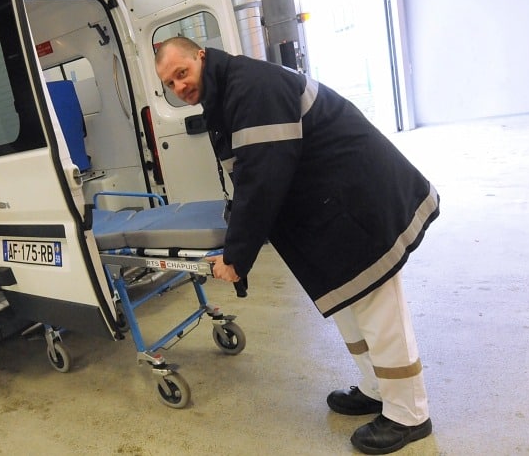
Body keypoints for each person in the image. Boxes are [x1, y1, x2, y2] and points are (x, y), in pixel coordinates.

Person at [154, 36, 439, 455]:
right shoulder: (224, 94)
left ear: (201, 56)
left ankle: (409, 414)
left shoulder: (250, 87)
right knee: (350, 303)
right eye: (170, 83)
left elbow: (262, 179)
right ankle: (377, 388)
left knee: (378, 306)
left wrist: (236, 257)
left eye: (182, 73)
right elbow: (253, 172)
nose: (180, 87)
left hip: (358, 197)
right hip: (331, 204)